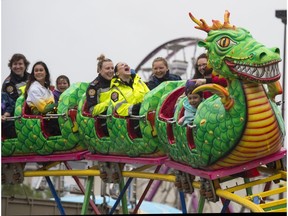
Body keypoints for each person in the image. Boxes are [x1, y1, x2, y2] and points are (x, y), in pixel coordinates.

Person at [110, 62, 150, 137]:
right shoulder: (115, 89)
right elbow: (121, 108)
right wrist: (138, 107)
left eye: (126, 64)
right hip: (133, 121)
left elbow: (150, 96)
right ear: (117, 73)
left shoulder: (139, 81)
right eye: (122, 65)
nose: (125, 65)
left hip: (147, 116)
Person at [24, 61, 60, 135]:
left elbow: (52, 106)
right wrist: (59, 104)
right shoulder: (34, 88)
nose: (38, 72)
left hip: (50, 116)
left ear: (46, 72)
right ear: (33, 74)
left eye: (41, 70)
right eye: (36, 70)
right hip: (42, 119)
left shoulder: (47, 88)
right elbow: (43, 109)